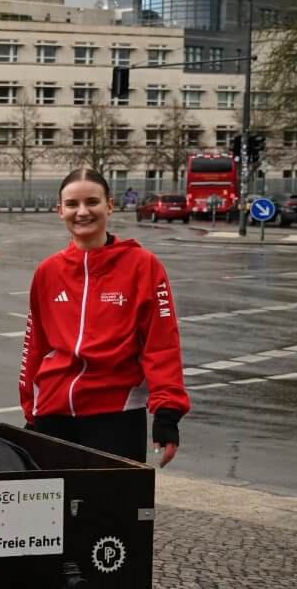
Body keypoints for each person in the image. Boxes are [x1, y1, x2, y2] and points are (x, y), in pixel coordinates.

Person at [19, 168, 189, 465]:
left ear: (110, 206)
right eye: (72, 204)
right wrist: (31, 410)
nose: (82, 212)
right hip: (52, 412)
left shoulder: (143, 266)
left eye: (92, 202)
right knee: (54, 496)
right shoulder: (47, 271)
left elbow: (162, 344)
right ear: (60, 211)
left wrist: (167, 412)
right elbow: (35, 346)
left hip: (116, 413)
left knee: (110, 497)